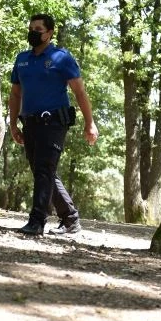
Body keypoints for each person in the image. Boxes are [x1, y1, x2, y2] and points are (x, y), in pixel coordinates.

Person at [9, 13, 99, 236]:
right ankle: (70, 218)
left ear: (49, 33)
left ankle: (37, 221)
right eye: (31, 28)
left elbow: (79, 91)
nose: (33, 33)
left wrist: (90, 123)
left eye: (38, 29)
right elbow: (15, 93)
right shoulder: (22, 59)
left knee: (44, 170)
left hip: (54, 122)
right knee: (44, 170)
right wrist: (12, 124)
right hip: (30, 122)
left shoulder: (61, 57)